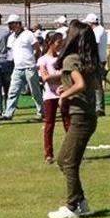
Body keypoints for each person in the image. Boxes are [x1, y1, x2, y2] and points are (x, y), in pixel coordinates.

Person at [48, 22, 99, 218]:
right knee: (66, 161)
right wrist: (65, 88)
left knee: (67, 162)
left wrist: (63, 96)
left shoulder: (70, 59)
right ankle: (81, 202)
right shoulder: (86, 60)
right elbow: (86, 85)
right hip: (88, 116)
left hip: (81, 117)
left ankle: (72, 207)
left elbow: (80, 84)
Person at [37, 32, 70, 164]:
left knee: (68, 123)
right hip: (50, 96)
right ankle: (48, 154)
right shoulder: (43, 60)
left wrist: (58, 76)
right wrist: (61, 75)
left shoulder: (62, 59)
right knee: (49, 125)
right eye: (58, 42)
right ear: (50, 43)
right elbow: (45, 78)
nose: (60, 44)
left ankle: (71, 152)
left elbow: (68, 74)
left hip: (64, 94)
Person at [3, 14, 43, 120]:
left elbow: (37, 49)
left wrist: (33, 60)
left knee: (35, 92)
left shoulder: (28, 34)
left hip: (29, 67)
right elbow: (11, 53)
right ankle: (8, 113)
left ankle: (41, 112)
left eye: (11, 24)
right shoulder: (11, 37)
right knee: (13, 91)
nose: (10, 26)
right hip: (17, 68)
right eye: (9, 24)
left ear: (18, 24)